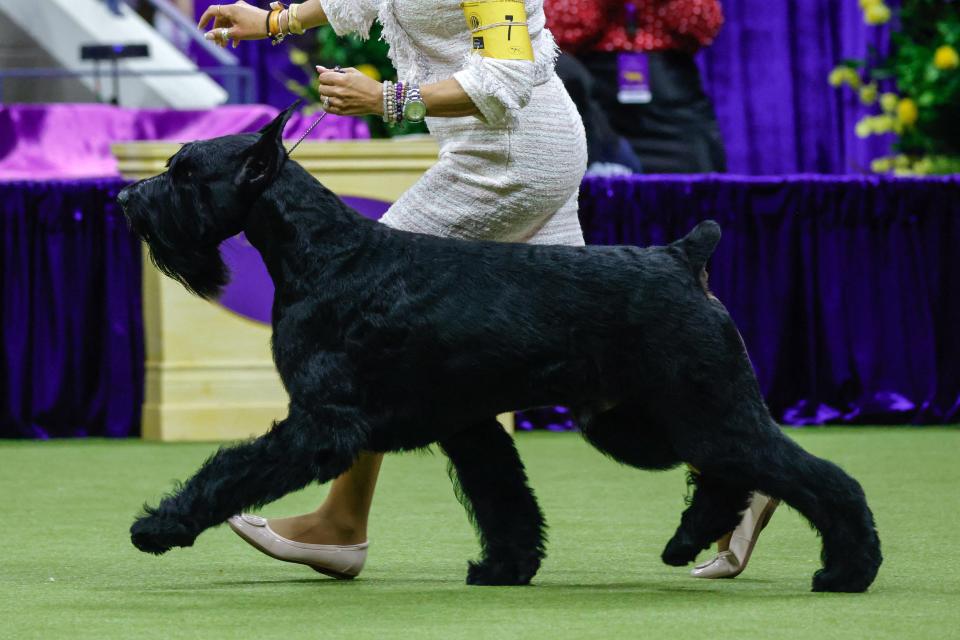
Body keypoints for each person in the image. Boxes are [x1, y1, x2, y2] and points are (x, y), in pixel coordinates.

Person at [198, 0, 587, 578]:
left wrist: (384, 100)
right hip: (515, 151)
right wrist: (275, 22)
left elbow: (503, 76)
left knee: (363, 312)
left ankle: (341, 524)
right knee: (593, 348)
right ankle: (739, 469)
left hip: (509, 158)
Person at [544, 0, 727, 173]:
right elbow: (553, 32)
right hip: (596, 108)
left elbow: (705, 26)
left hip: (671, 105)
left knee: (695, 193)